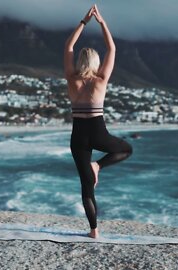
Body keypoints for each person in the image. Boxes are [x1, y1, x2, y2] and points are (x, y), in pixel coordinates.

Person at [64, 4, 133, 239]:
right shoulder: (101, 79)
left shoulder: (72, 79)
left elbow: (69, 46)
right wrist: (102, 22)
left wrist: (83, 22)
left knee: (86, 188)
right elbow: (111, 48)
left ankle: (94, 231)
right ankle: (99, 165)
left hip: (78, 137)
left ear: (79, 63)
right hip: (98, 133)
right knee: (126, 149)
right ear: (95, 62)